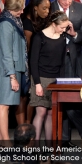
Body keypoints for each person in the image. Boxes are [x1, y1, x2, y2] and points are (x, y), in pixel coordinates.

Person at [51, 0, 82, 147]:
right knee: (59, 99)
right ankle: (62, 138)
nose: (68, 2)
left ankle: (75, 134)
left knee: (72, 99)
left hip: (74, 58)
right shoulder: (49, 8)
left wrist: (74, 34)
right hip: (54, 59)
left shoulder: (79, 8)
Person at [29, 11, 68, 148]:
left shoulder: (62, 38)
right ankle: (35, 146)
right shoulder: (39, 37)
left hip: (55, 79)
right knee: (41, 112)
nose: (64, 30)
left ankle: (49, 147)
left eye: (65, 28)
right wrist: (38, 84)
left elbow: (62, 62)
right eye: (62, 27)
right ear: (53, 24)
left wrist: (61, 83)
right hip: (41, 78)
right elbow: (33, 61)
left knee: (51, 113)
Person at [0, 0, 26, 146]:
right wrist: (12, 76)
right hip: (8, 71)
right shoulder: (5, 23)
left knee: (6, 105)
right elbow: (6, 52)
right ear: (11, 8)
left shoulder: (14, 20)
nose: (22, 11)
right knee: (3, 105)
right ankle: (6, 141)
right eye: (19, 9)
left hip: (14, 68)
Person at [19, 0, 51, 125]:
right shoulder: (26, 23)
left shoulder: (42, 20)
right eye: (44, 8)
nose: (47, 11)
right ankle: (24, 128)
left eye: (49, 8)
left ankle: (29, 125)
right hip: (28, 64)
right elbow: (27, 48)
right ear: (35, 7)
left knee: (33, 97)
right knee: (24, 97)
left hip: (39, 63)